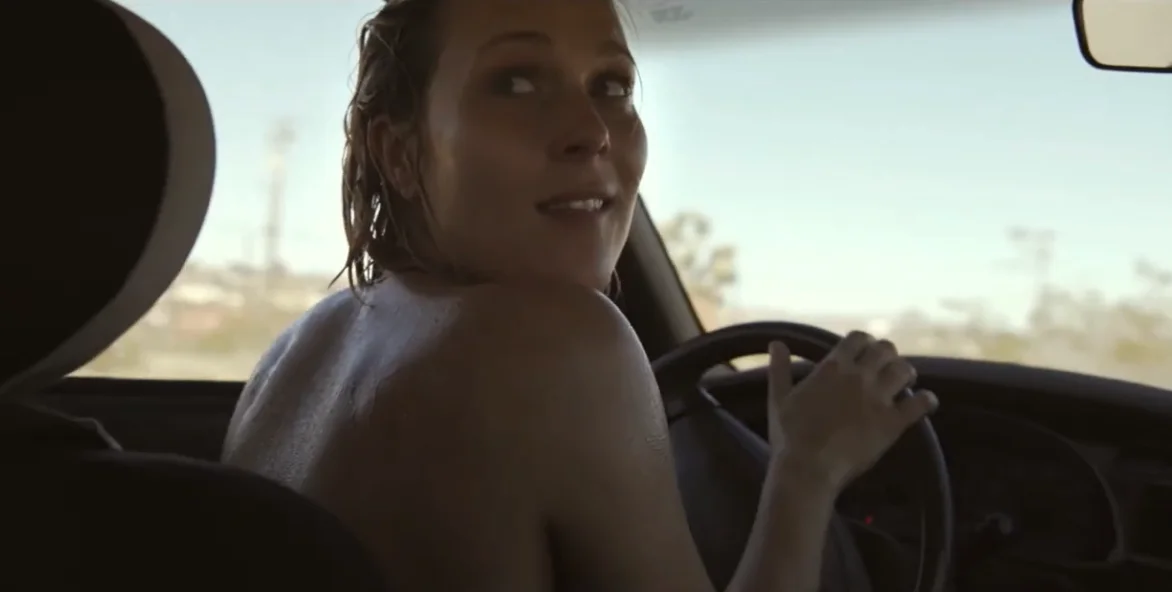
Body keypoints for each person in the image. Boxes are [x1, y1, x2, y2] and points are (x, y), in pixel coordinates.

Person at [220, 0, 939, 590]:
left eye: (612, 86)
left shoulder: (290, 358)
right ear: (399, 152)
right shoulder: (557, 346)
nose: (591, 131)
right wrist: (806, 473)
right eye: (517, 84)